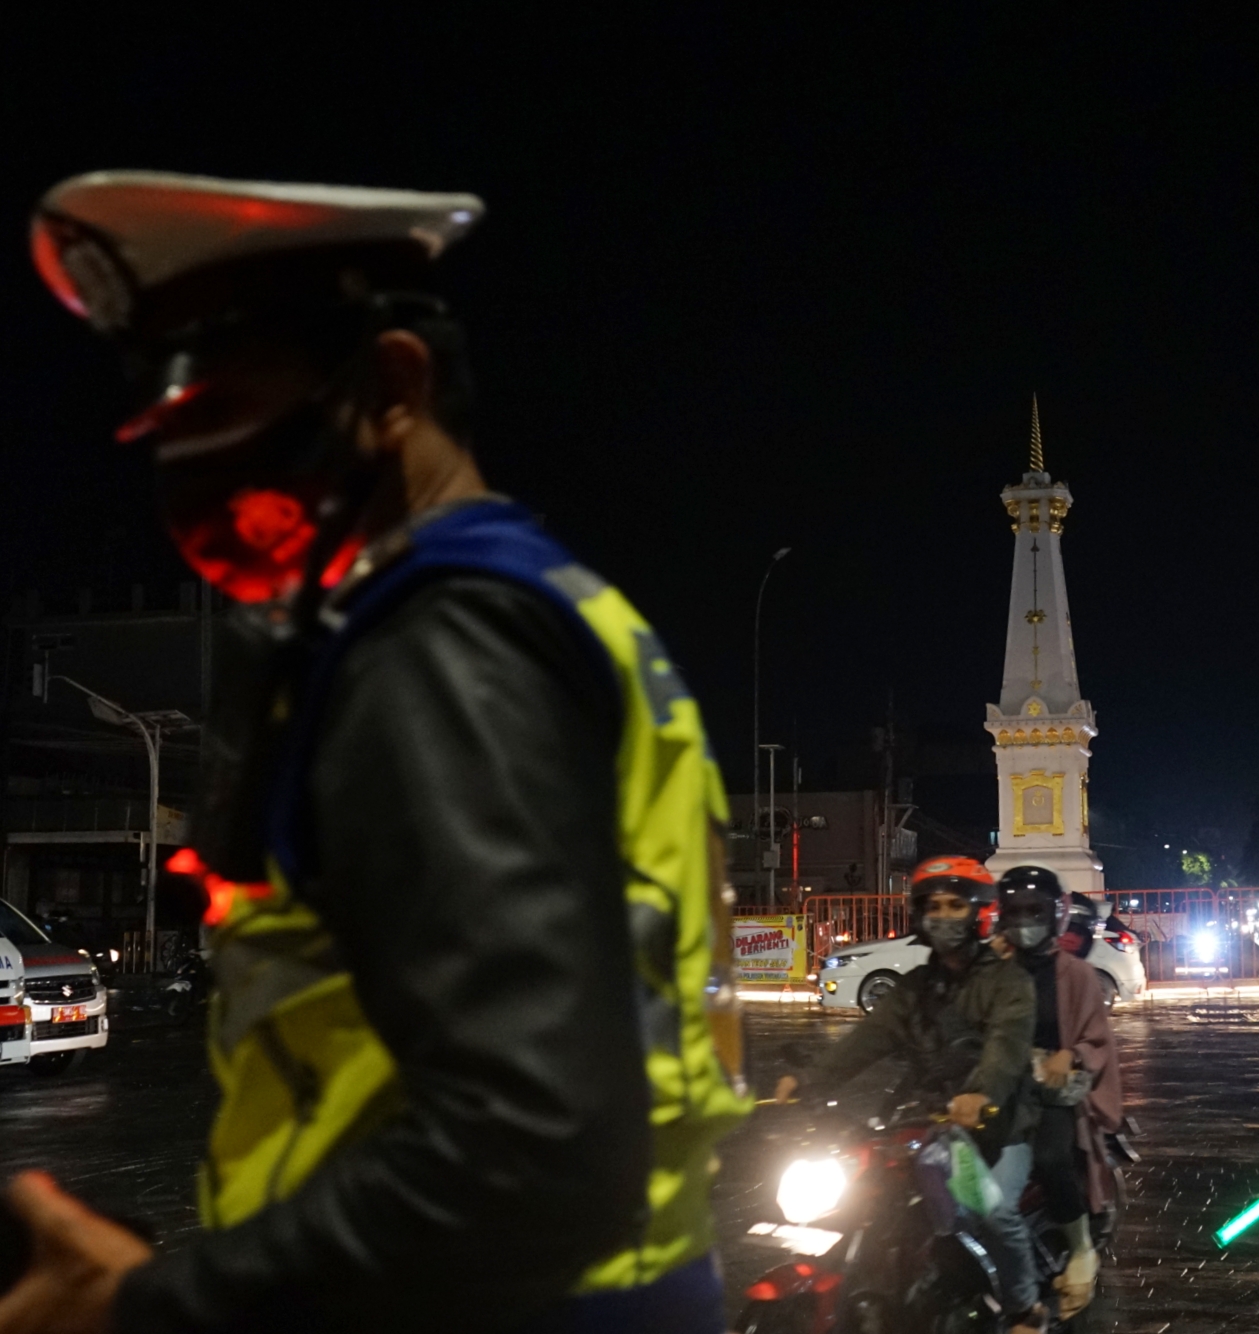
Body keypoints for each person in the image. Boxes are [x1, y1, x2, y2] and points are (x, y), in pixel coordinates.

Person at [0, 172, 750, 1332]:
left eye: (227, 410)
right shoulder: (537, 605)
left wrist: (149, 1304)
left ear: (392, 383)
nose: (188, 467)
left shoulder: (442, 639)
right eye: (168, 428)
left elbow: (530, 1138)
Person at [772, 857, 1046, 1334]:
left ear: (980, 912)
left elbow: (1005, 1049)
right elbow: (868, 1039)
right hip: (927, 1120)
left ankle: (1025, 1310)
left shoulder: (1009, 983)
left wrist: (980, 1096)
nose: (943, 915)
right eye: (933, 905)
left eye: (955, 904)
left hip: (997, 1128)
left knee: (995, 1211)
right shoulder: (915, 988)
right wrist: (811, 1080)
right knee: (873, 1193)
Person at [992, 866, 1124, 1320]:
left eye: (1035, 911)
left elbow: (1097, 1038)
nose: (1026, 920)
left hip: (1051, 1093)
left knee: (1050, 1158)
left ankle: (1081, 1248)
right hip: (1000, 1089)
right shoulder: (992, 970)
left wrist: (1068, 1056)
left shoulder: (1077, 975)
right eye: (1016, 911)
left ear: (1055, 915)